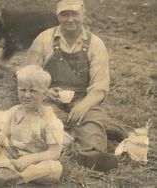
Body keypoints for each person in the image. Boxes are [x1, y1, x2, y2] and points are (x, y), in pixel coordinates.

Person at [27, 0, 118, 171]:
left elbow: (100, 86)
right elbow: (29, 74)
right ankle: (65, 145)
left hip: (84, 99)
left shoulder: (95, 44)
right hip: (49, 98)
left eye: (74, 14)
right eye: (64, 14)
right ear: (57, 15)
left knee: (93, 122)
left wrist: (83, 105)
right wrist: (44, 91)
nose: (70, 19)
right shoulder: (44, 39)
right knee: (43, 122)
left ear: (84, 14)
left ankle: (89, 154)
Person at [0, 65, 64, 187]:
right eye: (23, 90)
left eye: (33, 91)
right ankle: (1, 170)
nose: (27, 95)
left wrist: (31, 159)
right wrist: (1, 138)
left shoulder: (50, 120)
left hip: (33, 161)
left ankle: (16, 177)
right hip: (11, 155)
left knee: (55, 168)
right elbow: (4, 133)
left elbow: (54, 153)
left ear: (44, 95)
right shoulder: (15, 111)